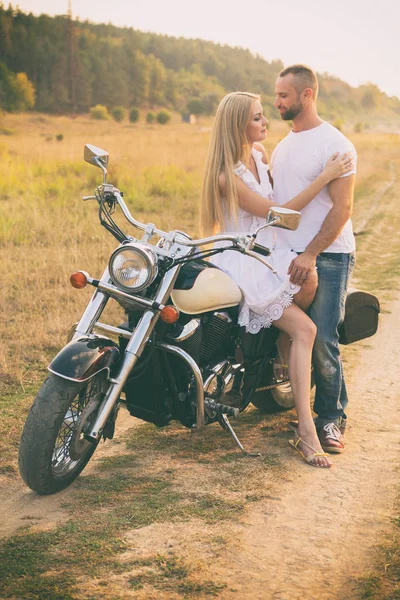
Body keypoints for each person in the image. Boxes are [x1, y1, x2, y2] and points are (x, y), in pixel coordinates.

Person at [200, 91, 354, 468]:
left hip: (267, 255)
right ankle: (305, 431)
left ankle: (278, 351)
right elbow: (280, 212)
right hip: (243, 260)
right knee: (307, 330)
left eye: (264, 114)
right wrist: (326, 176)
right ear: (239, 125)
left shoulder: (258, 156)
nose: (265, 121)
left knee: (309, 279)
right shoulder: (226, 176)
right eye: (257, 117)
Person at [271, 65, 357, 454]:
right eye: (275, 96)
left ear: (306, 95)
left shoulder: (336, 144)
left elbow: (342, 208)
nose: (277, 103)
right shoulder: (282, 145)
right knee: (285, 332)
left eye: (283, 96)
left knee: (322, 336)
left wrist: (311, 252)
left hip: (328, 256)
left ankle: (330, 418)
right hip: (286, 256)